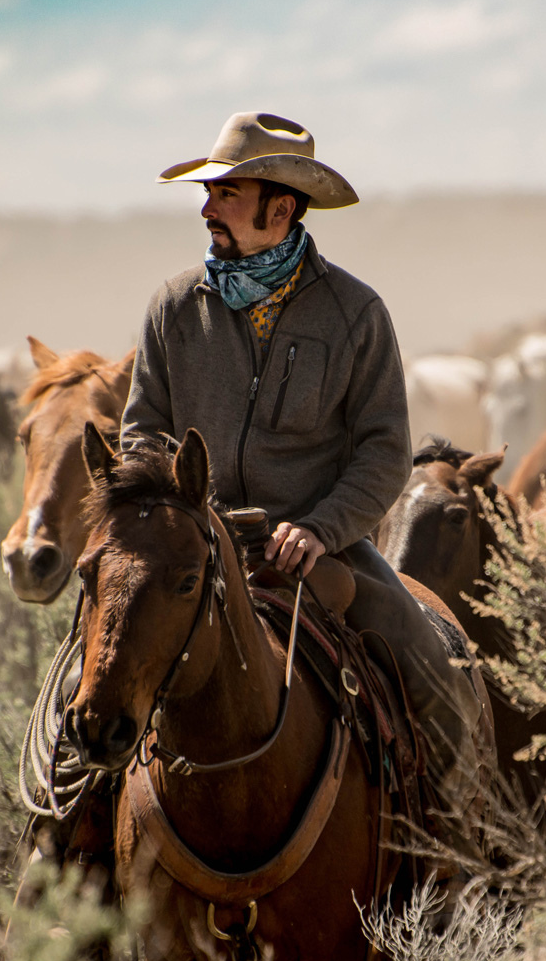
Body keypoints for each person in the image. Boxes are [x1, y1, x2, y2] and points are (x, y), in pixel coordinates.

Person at [120, 111, 488, 820]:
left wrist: (320, 528)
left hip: (325, 551)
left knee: (436, 680)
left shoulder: (356, 314)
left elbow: (384, 451)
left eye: (226, 193)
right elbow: (143, 434)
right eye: (209, 193)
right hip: (191, 548)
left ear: (279, 208)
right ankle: (61, 851)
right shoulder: (172, 307)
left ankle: (448, 864)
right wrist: (173, 521)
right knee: (89, 676)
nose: (207, 208)